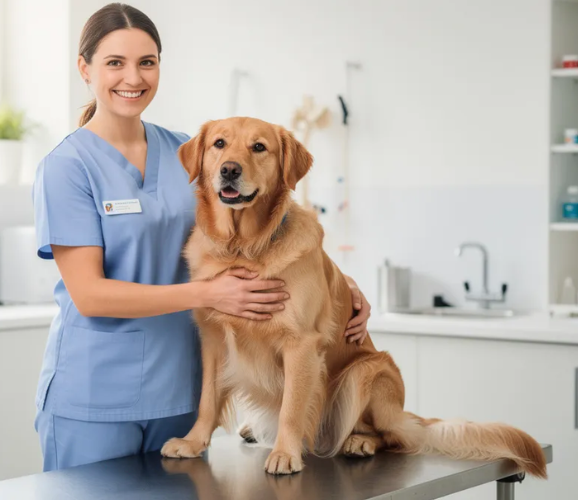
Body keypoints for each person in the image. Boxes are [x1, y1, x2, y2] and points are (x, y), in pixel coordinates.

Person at [32, 2, 371, 472]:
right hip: (96, 395)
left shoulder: (190, 150)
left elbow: (263, 232)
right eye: (115, 62)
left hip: (183, 393)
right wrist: (211, 293)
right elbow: (88, 295)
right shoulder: (67, 167)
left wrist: (340, 290)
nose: (133, 77)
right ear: (84, 69)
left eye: (146, 62)